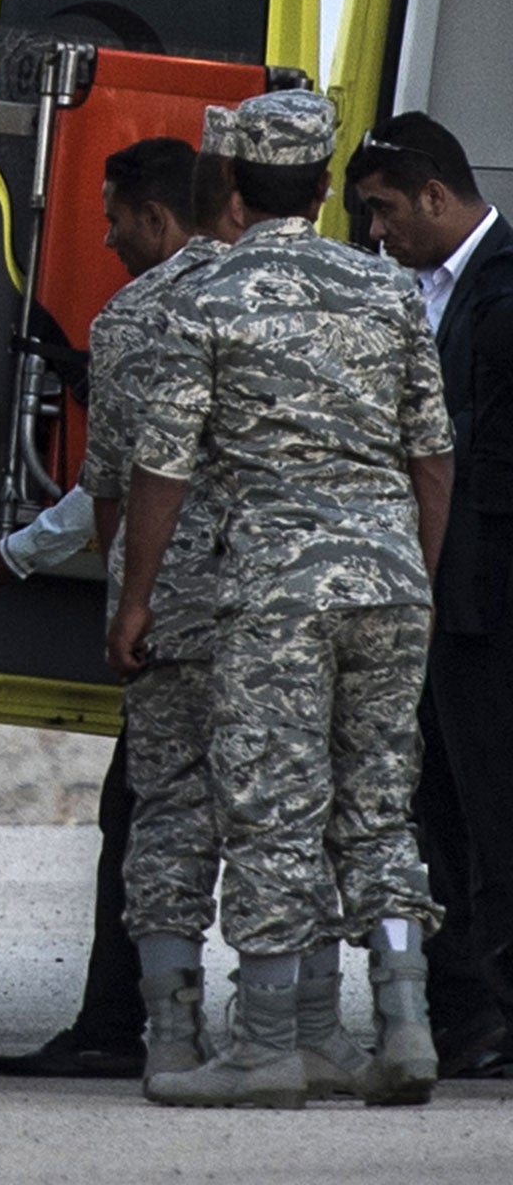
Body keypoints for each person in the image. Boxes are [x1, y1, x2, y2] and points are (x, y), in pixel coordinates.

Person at [110, 90, 454, 1109]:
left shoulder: (200, 301)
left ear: (227, 186)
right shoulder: (386, 290)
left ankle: (262, 1047)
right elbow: (431, 456)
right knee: (379, 807)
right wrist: (413, 580)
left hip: (273, 591)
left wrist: (134, 601)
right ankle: (402, 1026)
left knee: (271, 807)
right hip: (388, 581)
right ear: (320, 185)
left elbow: (160, 470)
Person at [0, 137, 223, 1082]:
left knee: (145, 818)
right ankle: (317, 1029)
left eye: (112, 219)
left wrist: (23, 558)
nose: (106, 239)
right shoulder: (307, 302)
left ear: (155, 217)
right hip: (307, 614)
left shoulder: (142, 316)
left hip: (184, 621)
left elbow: (112, 487)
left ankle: (127, 1024)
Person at [345, 113, 513, 1078]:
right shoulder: (407, 291)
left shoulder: (505, 293)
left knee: (495, 810)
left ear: (436, 197)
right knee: (438, 806)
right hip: (436, 600)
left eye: (382, 210)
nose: (374, 232)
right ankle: (475, 1013)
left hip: (485, 600)